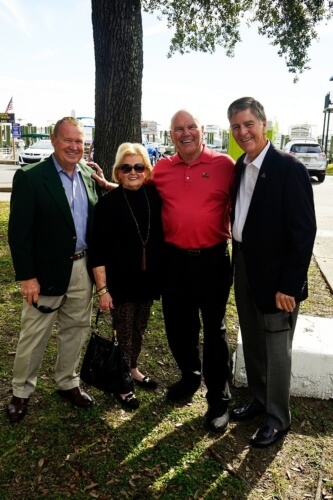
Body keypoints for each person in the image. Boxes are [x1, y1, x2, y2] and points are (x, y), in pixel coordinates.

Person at [6, 117, 109, 423]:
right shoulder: (31, 177)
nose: (75, 147)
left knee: (76, 330)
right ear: (54, 141)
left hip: (82, 268)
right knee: (34, 335)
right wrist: (27, 276)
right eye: (68, 140)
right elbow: (19, 233)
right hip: (45, 273)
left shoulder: (89, 174)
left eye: (80, 142)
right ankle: (21, 393)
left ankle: (68, 382)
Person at [227, 97, 316, 447]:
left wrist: (290, 285)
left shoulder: (288, 168)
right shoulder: (239, 165)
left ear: (264, 125)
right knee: (252, 339)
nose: (242, 131)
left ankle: (278, 419)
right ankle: (261, 400)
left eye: (248, 123)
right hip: (245, 266)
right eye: (236, 126)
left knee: (277, 349)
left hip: (279, 278)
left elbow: (303, 232)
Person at [153, 110, 235, 433]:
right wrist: (106, 182)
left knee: (213, 330)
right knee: (178, 326)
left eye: (191, 127)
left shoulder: (224, 166)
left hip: (213, 260)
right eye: (178, 129)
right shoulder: (161, 169)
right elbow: (136, 187)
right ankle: (190, 376)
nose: (185, 133)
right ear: (170, 135)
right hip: (174, 261)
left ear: (202, 130)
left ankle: (219, 399)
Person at [90, 143, 163, 410]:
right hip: (120, 282)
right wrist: (102, 290)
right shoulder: (107, 204)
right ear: (118, 172)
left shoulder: (154, 196)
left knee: (139, 328)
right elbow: (96, 251)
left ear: (146, 169)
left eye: (138, 167)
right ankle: (121, 384)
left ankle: (132, 368)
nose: (133, 172)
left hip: (148, 279)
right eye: (127, 167)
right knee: (123, 333)